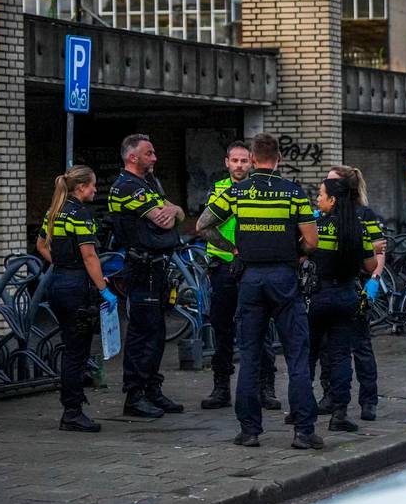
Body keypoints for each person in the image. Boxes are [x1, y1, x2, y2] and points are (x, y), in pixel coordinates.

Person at [196, 133, 322, 449]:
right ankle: (304, 431)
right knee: (296, 353)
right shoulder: (293, 193)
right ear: (278, 159)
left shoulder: (237, 192)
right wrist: (297, 254)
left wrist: (234, 249)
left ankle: (250, 431)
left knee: (249, 354)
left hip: (250, 279)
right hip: (284, 278)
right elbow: (312, 240)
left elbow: (203, 225)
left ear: (252, 159)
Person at [35, 165, 117, 433]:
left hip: (57, 283)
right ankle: (72, 412)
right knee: (76, 352)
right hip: (76, 288)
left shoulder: (54, 211)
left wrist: (61, 262)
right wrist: (102, 287)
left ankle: (73, 408)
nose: (95, 189)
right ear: (81, 187)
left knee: (71, 347)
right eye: (92, 185)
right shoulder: (80, 214)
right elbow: (89, 256)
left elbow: (40, 245)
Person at [107, 134, 185, 418]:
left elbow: (176, 214)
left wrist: (173, 211)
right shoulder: (126, 186)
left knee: (157, 331)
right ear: (132, 157)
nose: (154, 158)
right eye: (149, 153)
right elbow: (161, 219)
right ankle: (135, 395)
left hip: (158, 267)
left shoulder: (149, 183)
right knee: (142, 332)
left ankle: (152, 388)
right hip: (142, 268)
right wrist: (170, 213)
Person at [201, 140, 281, 412]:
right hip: (224, 265)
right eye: (234, 161)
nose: (238, 165)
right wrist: (232, 249)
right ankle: (221, 387)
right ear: (226, 162)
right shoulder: (219, 189)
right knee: (222, 329)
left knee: (261, 330)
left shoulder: (262, 188)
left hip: (254, 267)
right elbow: (208, 224)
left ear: (252, 162)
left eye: (244, 161)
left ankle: (265, 387)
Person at [307, 177, 377, 433]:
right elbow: (370, 266)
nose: (317, 198)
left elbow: (303, 251)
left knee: (308, 356)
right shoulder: (358, 228)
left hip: (316, 296)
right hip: (346, 296)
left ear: (333, 200)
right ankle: (340, 414)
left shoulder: (316, 225)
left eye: (321, 194)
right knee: (340, 358)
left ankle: (302, 412)